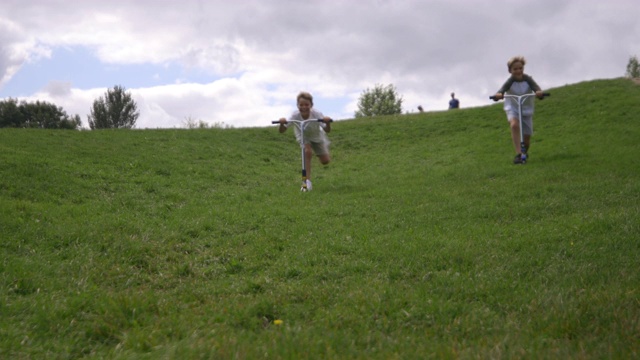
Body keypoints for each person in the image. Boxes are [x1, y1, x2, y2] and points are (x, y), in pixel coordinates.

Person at [493, 56, 545, 164]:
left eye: (520, 68)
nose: (518, 71)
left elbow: (536, 88)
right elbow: (502, 90)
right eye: (515, 69)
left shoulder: (528, 79)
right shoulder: (510, 81)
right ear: (510, 71)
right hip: (513, 107)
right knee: (514, 125)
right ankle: (519, 154)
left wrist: (539, 93)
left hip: (527, 109)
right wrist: (499, 94)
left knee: (526, 140)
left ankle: (524, 152)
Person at [278, 91, 332, 191]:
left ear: (311, 105)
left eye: (306, 104)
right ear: (297, 105)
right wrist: (282, 123)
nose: (303, 107)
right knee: (307, 152)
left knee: (325, 161)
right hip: (303, 136)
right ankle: (306, 182)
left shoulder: (316, 114)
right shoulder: (295, 115)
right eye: (301, 105)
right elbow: (282, 130)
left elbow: (327, 129)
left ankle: (322, 148)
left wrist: (327, 122)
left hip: (317, 137)